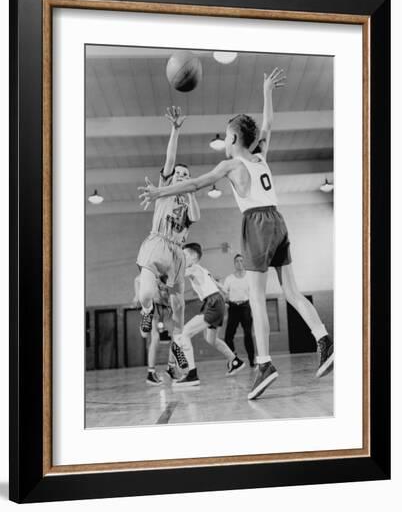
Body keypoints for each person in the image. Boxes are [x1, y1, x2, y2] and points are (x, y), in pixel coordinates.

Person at [138, 67, 334, 400]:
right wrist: (267, 92)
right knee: (292, 291)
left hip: (256, 223)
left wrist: (159, 192)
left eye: (226, 136)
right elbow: (268, 125)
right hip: (279, 221)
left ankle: (265, 363)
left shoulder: (230, 165)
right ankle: (324, 340)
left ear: (231, 140)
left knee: (257, 298)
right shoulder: (260, 154)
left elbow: (197, 183)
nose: (225, 142)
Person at [136, 106, 200, 372]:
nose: (182, 177)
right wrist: (175, 130)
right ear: (172, 177)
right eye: (179, 175)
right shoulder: (163, 192)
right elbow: (170, 158)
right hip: (158, 244)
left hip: (176, 253)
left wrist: (192, 190)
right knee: (147, 293)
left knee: (179, 311)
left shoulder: (188, 203)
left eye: (186, 176)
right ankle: (147, 311)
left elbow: (195, 217)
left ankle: (176, 358)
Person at [173, 243, 245, 387]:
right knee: (211, 339)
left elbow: (177, 275)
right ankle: (235, 361)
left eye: (185, 255)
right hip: (215, 302)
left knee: (185, 333)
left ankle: (192, 375)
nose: (182, 258)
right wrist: (224, 294)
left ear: (193, 257)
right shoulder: (204, 270)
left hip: (212, 302)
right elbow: (219, 286)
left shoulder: (192, 268)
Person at [133, 274, 178, 385]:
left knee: (177, 337)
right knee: (154, 337)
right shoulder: (152, 272)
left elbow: (172, 295)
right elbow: (137, 280)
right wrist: (137, 294)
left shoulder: (171, 275)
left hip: (165, 308)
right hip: (153, 306)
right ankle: (151, 373)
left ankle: (171, 367)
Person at [222, 254, 255, 367]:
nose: (239, 263)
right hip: (233, 308)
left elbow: (254, 293)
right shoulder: (229, 278)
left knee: (248, 335)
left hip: (245, 307)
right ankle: (233, 358)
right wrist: (226, 302)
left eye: (241, 261)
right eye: (237, 261)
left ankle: (252, 361)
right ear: (234, 263)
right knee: (228, 336)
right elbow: (225, 294)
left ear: (244, 263)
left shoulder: (249, 277)